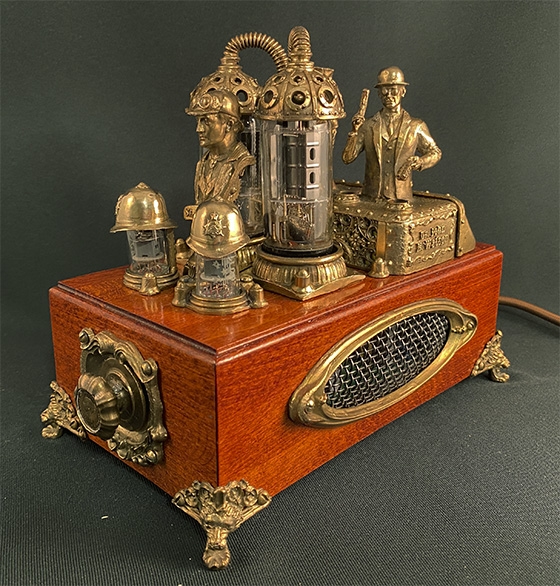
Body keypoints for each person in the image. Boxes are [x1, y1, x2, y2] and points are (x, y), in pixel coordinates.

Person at [342, 67, 441, 202]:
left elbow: (435, 153)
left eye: (393, 90)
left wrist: (419, 162)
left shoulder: (416, 126)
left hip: (402, 201)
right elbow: (347, 158)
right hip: (371, 198)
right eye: (384, 91)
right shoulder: (367, 126)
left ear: (403, 91)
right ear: (379, 94)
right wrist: (354, 131)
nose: (389, 95)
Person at [186, 89, 255, 206]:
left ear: (229, 124)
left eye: (206, 121)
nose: (198, 129)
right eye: (198, 122)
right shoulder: (203, 163)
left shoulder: (243, 162)